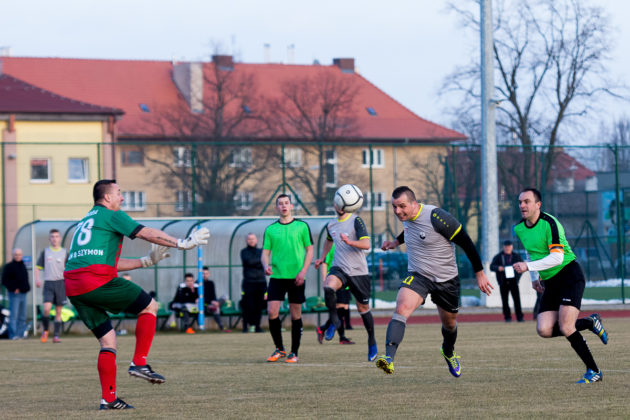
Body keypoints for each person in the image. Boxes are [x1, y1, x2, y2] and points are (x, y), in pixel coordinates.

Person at [63, 179, 209, 410]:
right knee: (150, 306)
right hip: (95, 280)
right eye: (119, 193)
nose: (122, 198)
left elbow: (107, 262)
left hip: (74, 286)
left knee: (108, 341)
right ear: (107, 197)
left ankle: (109, 399)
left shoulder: (86, 221)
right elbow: (145, 232)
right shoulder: (111, 214)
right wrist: (182, 243)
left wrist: (146, 261)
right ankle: (139, 363)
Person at [375, 186, 493, 377]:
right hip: (419, 275)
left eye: (402, 206)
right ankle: (388, 358)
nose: (397, 211)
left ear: (414, 204)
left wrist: (480, 273)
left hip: (446, 279)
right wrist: (395, 242)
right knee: (402, 308)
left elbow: (466, 242)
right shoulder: (407, 218)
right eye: (394, 207)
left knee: (450, 324)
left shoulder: (437, 217)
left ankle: (448, 351)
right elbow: (410, 231)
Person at [513, 187, 608, 384]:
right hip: (550, 282)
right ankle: (589, 323)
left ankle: (594, 371)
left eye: (527, 201)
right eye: (520, 202)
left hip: (569, 276)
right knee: (544, 329)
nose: (522, 205)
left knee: (566, 326)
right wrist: (534, 277)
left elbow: (557, 258)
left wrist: (528, 266)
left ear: (538, 205)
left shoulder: (550, 223)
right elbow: (531, 252)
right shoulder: (519, 229)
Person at [313, 201, 377, 361]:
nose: (340, 206)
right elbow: (328, 241)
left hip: (358, 272)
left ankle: (371, 341)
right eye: (338, 203)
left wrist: (350, 242)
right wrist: (322, 257)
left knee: (363, 309)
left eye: (343, 203)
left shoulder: (356, 220)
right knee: (328, 287)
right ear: (335, 205)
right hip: (339, 268)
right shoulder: (331, 224)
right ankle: (334, 321)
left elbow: (366, 244)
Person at [261, 194, 314, 364]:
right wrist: (266, 265)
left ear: (291, 206)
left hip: (296, 277)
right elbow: (265, 253)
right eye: (280, 203)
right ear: (276, 207)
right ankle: (280, 349)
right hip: (277, 276)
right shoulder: (270, 229)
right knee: (272, 312)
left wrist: (303, 271)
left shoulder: (302, 226)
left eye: (286, 203)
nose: (283, 206)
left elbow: (310, 250)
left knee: (295, 314)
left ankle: (294, 352)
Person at [315, 243, 356, 345]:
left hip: (346, 281)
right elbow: (324, 263)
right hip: (335, 281)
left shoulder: (347, 245)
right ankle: (340, 336)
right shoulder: (331, 246)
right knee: (340, 309)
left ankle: (323, 328)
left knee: (343, 309)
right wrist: (324, 280)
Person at [35, 228, 68, 343]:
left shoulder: (64, 252)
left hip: (61, 283)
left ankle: (56, 336)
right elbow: (37, 267)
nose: (54, 239)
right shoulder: (45, 252)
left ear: (60, 238)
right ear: (49, 239)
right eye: (52, 237)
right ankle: (45, 331)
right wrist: (37, 279)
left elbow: (69, 268)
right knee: (46, 309)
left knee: (58, 312)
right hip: (48, 283)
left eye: (56, 236)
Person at [490, 239, 524, 322]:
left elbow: (522, 267)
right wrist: (498, 268)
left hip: (514, 281)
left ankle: (520, 317)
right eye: (506, 246)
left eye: (509, 246)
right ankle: (507, 317)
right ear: (503, 247)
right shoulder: (498, 256)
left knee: (517, 300)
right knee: (505, 300)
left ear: (512, 247)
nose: (507, 248)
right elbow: (492, 266)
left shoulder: (516, 256)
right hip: (503, 281)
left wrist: (517, 275)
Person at [240, 233, 267, 333]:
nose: (251, 241)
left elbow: (264, 262)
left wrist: (261, 262)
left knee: (259, 306)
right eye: (249, 239)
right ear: (246, 241)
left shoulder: (261, 251)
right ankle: (245, 327)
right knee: (247, 305)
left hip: (261, 282)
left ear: (256, 240)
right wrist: (260, 261)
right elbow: (249, 261)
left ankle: (257, 326)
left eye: (253, 239)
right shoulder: (244, 252)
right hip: (248, 282)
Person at [2, 248, 30, 340]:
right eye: (16, 255)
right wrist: (13, 288)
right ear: (13, 255)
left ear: (22, 255)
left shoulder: (23, 266)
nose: (18, 256)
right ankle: (13, 335)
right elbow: (5, 280)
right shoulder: (9, 266)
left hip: (23, 294)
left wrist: (26, 288)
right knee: (14, 316)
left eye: (19, 254)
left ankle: (20, 334)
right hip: (14, 295)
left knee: (22, 316)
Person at [202, 266, 230, 332]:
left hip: (212, 303)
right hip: (205, 305)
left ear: (209, 274)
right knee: (216, 309)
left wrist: (216, 302)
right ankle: (221, 327)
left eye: (206, 273)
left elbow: (213, 295)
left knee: (225, 296)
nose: (204, 275)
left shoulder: (211, 283)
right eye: (203, 273)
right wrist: (211, 302)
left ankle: (217, 304)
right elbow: (200, 298)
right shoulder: (197, 283)